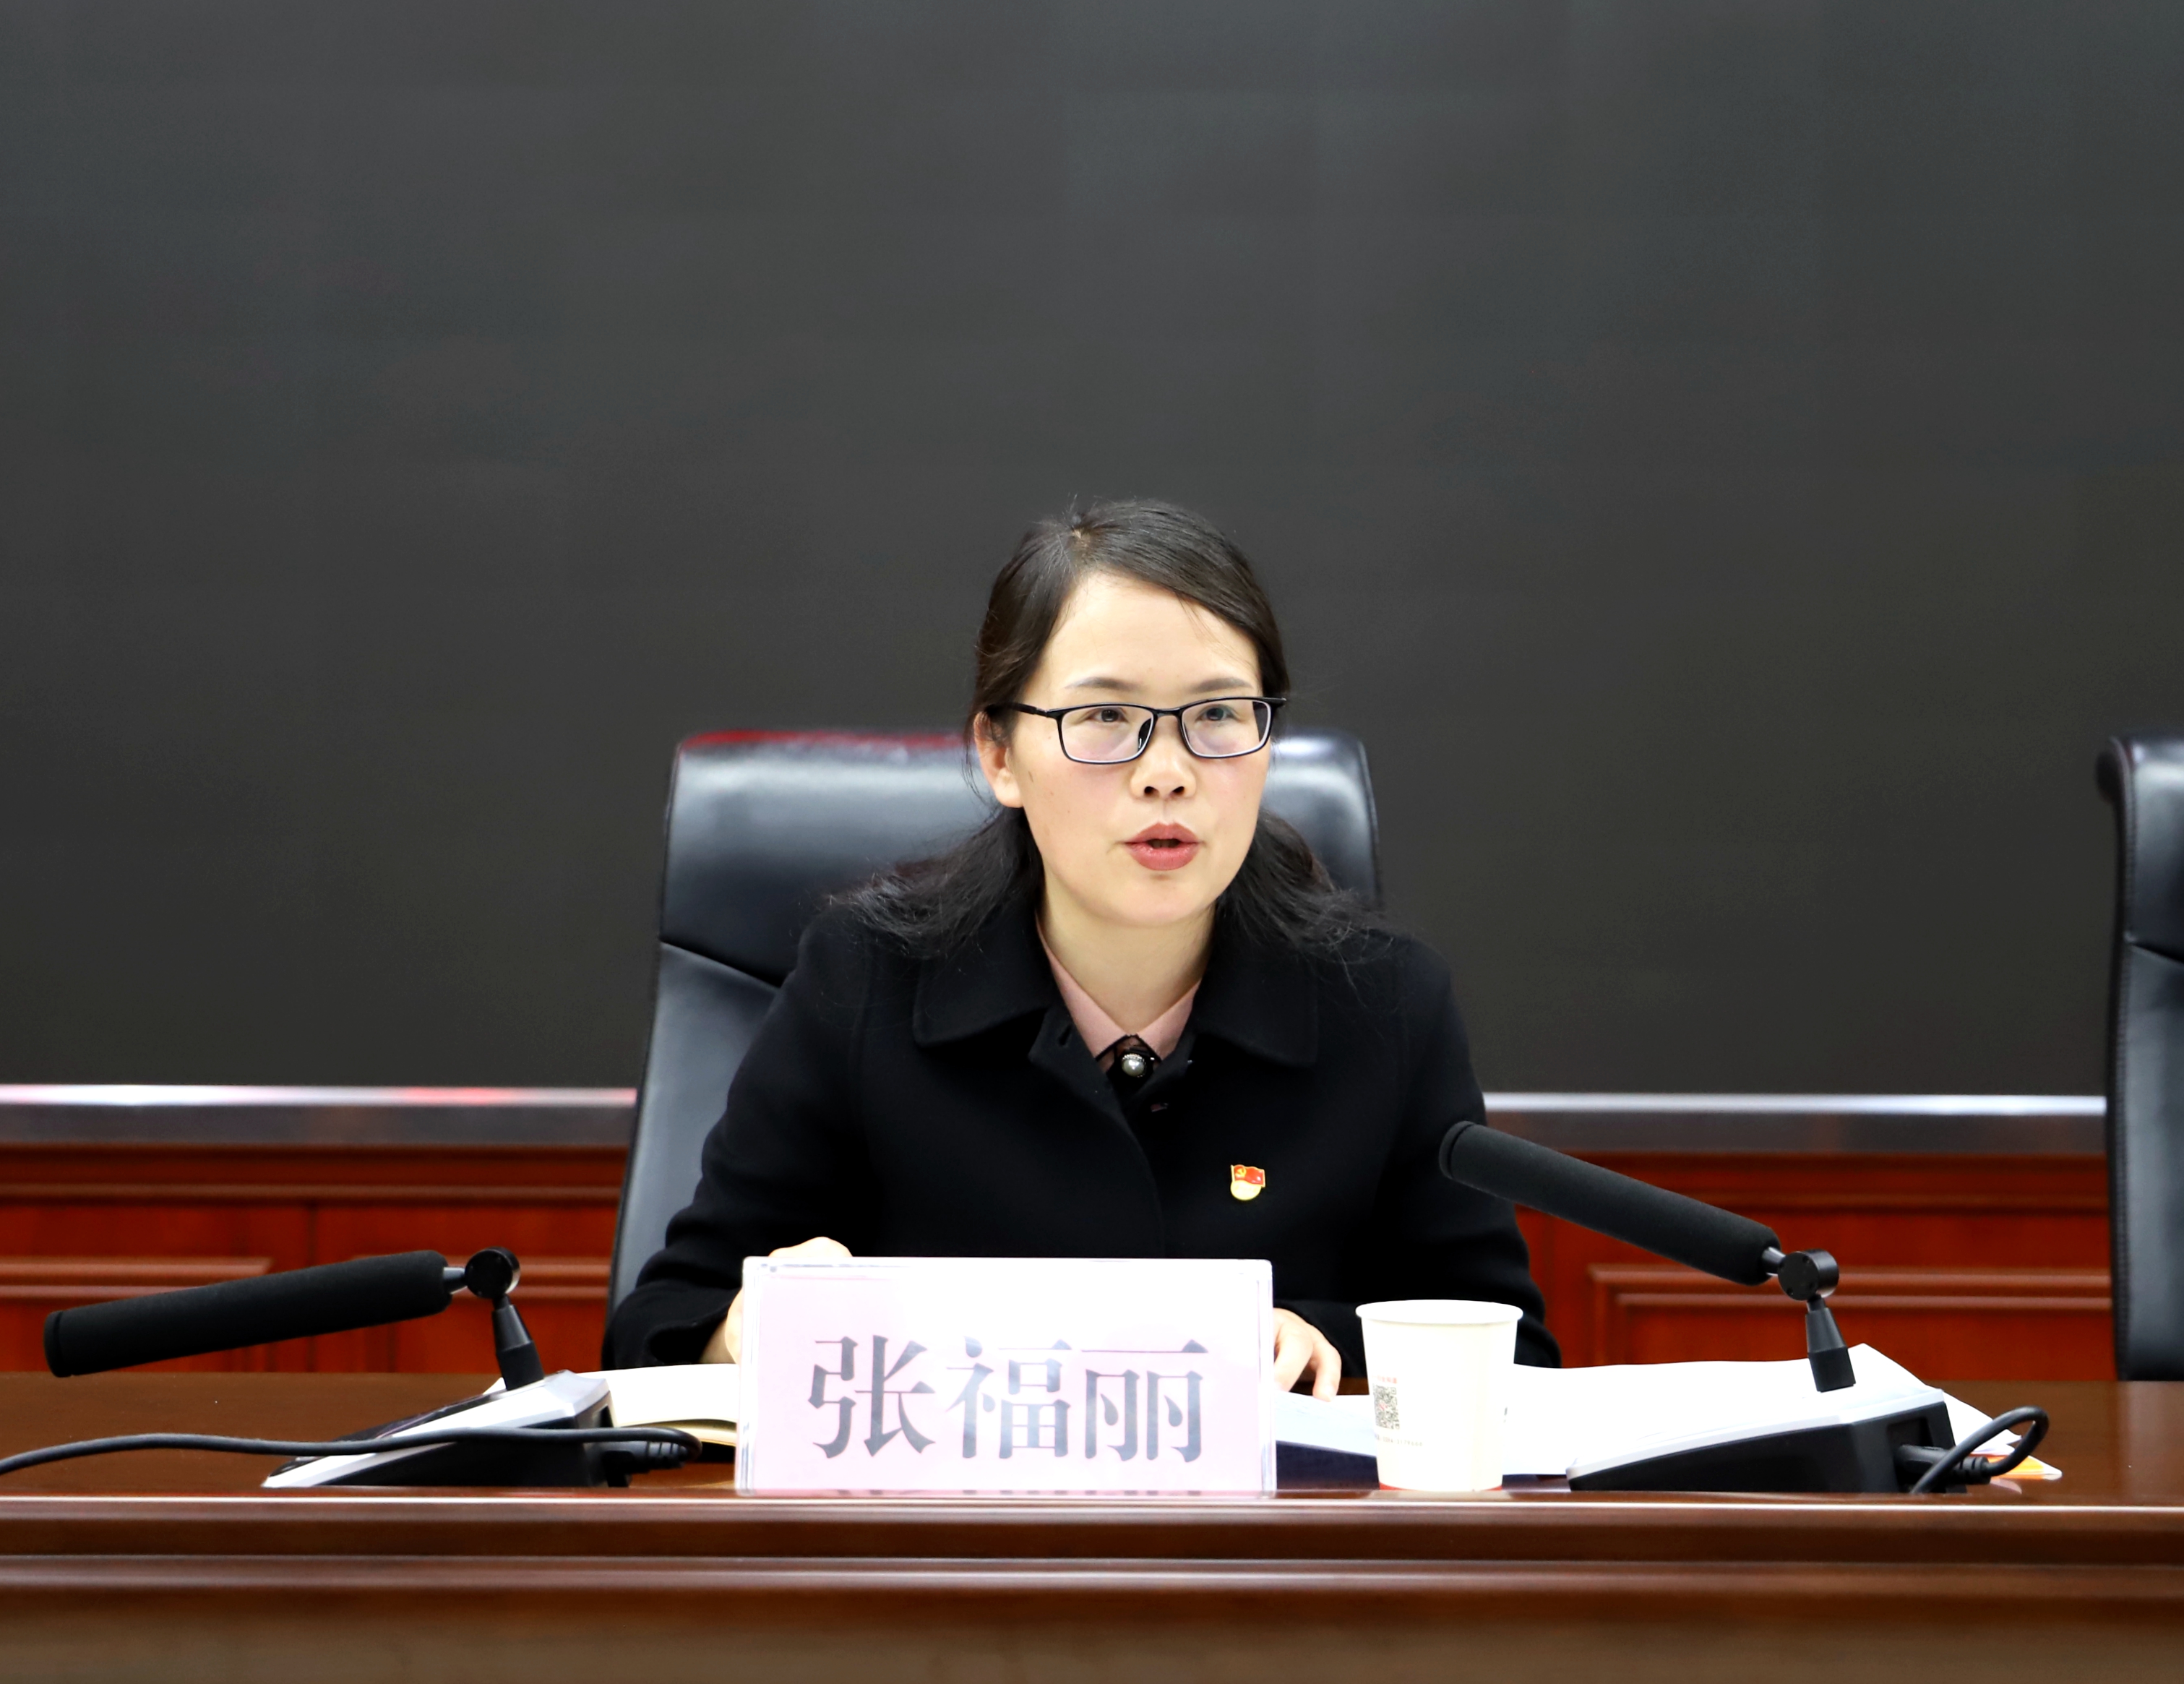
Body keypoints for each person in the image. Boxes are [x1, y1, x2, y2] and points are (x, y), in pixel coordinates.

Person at [604, 500, 1557, 1394]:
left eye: (1218, 715)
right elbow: (659, 1325)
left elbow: (1513, 1354)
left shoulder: (1383, 1000)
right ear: (999, 755)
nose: (1168, 773)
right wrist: (752, 1328)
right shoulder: (867, 979)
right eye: (1105, 718)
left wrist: (1321, 1343)